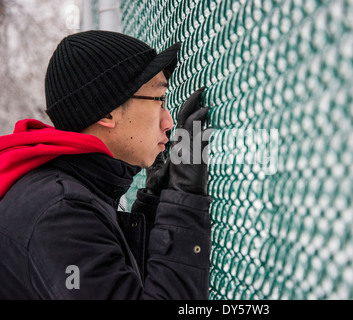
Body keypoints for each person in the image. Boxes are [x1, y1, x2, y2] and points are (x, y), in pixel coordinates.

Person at [0, 30, 213, 299]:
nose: (169, 121)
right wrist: (184, 204)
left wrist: (154, 206)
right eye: (159, 100)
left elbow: (112, 280)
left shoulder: (63, 192)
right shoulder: (60, 214)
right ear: (107, 113)